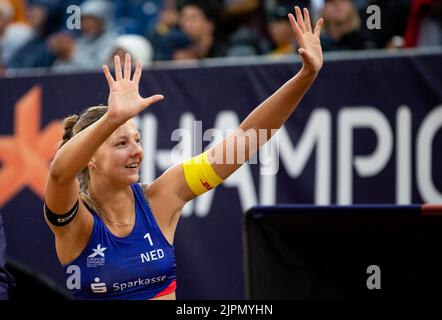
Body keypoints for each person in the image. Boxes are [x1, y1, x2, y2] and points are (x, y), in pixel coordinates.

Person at [43, 6, 323, 300]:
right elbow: (60, 175)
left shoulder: (161, 198)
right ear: (90, 157)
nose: (137, 151)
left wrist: (305, 76)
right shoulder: (78, 222)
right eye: (121, 144)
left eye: (137, 140)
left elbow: (245, 139)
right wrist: (111, 119)